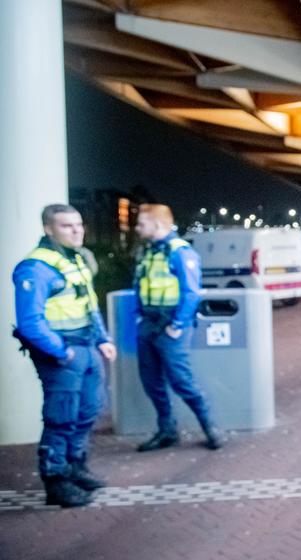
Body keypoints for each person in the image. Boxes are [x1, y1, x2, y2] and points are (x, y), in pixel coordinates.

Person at [12, 204, 118, 507]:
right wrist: (63, 351)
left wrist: (102, 338)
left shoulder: (76, 260)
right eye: (67, 226)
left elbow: (89, 304)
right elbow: (30, 323)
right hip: (61, 354)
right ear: (49, 229)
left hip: (86, 347)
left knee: (89, 410)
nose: (77, 230)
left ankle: (75, 466)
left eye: (79, 224)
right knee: (61, 417)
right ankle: (56, 480)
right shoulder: (36, 268)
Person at [133, 203, 222, 452]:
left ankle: (210, 429)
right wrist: (140, 318)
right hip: (148, 325)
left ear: (158, 224)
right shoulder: (148, 252)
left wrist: (177, 325)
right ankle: (167, 431)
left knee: (182, 381)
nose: (137, 228)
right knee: (151, 382)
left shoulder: (180, 252)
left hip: (170, 328)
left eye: (142, 223)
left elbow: (192, 293)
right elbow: (140, 286)